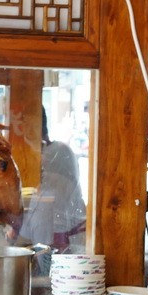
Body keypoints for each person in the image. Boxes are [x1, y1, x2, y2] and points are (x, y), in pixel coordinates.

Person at [22, 107, 86, 251]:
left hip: (64, 243)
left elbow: (49, 202)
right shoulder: (40, 154)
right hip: (48, 239)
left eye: (22, 125)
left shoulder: (58, 153)